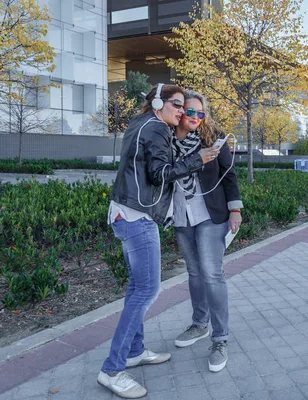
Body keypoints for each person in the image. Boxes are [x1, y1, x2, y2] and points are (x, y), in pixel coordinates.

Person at [97, 84, 219, 399]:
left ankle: (135, 350)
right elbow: (160, 174)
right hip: (138, 216)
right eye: (177, 105)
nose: (181, 112)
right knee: (147, 290)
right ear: (157, 102)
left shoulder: (141, 123)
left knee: (137, 288)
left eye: (184, 107)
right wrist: (198, 159)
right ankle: (112, 369)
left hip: (124, 212)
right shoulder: (157, 129)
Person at [171, 90, 243, 373]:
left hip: (211, 215)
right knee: (194, 272)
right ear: (179, 112)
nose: (196, 118)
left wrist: (235, 209)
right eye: (190, 112)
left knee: (213, 273)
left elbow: (229, 175)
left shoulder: (214, 139)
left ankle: (220, 338)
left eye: (201, 114)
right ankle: (199, 324)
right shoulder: (165, 139)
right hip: (181, 215)